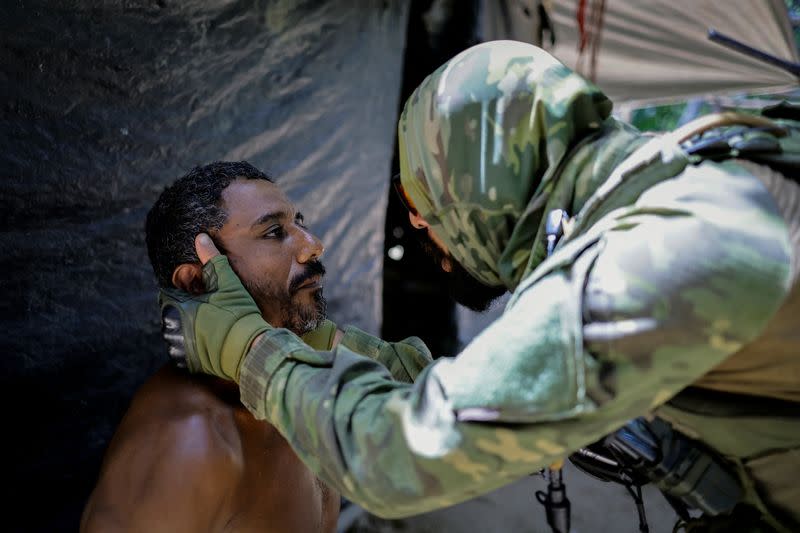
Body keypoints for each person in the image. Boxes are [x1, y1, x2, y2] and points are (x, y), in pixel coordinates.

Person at [161, 42, 800, 532]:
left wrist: (253, 352)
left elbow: (397, 455)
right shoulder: (685, 190)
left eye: (423, 196)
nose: (416, 224)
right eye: (275, 231)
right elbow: (514, 388)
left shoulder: (656, 254)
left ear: (485, 181)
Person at [81, 161, 346, 532]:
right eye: (273, 232)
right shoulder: (189, 441)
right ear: (196, 282)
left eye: (299, 223)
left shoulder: (309, 384)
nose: (312, 244)